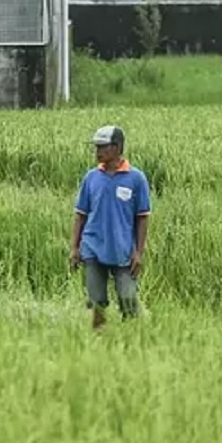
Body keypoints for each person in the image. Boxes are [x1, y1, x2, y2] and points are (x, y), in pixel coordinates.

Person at [70, 125, 151, 330]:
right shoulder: (91, 178)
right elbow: (80, 216)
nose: (97, 152)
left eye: (102, 147)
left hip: (123, 250)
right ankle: (100, 337)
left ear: (116, 148)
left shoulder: (136, 179)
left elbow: (142, 218)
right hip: (93, 248)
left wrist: (139, 252)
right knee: (97, 300)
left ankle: (131, 337)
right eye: (96, 147)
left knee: (127, 297)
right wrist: (75, 248)